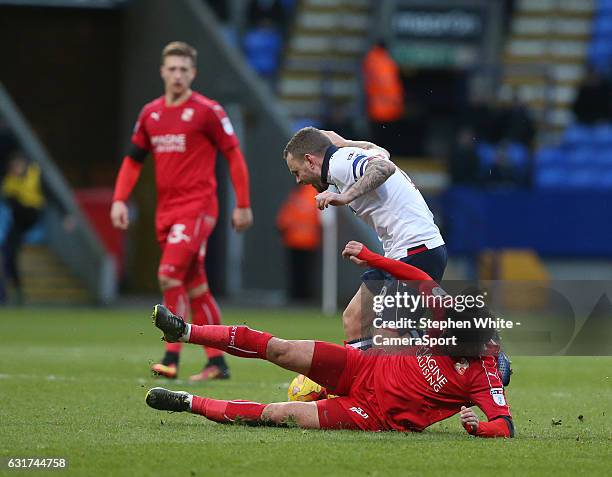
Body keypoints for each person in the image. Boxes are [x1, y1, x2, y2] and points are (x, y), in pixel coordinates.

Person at [145, 241, 514, 437]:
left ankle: (188, 402)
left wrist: (476, 427)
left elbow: (504, 425)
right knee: (280, 348)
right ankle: (185, 330)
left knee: (280, 413)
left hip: (373, 414)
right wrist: (370, 256)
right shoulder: (452, 313)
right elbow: (414, 275)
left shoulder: (486, 374)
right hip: (363, 367)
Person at [110, 41, 253, 381]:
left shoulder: (208, 111)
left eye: (183, 70)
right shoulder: (151, 114)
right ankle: (217, 362)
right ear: (162, 71)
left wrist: (243, 204)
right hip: (167, 211)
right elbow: (133, 161)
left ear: (193, 74)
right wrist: (119, 199)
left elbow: (234, 155)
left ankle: (170, 357)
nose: (177, 75)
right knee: (195, 287)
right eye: (172, 69)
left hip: (198, 208)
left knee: (168, 275)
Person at [283, 127, 447, 350]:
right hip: (398, 253)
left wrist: (345, 196)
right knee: (355, 319)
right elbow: (380, 152)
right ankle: (365, 384)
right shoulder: (347, 157)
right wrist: (346, 141)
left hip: (418, 252)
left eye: (296, 171)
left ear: (310, 161)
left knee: (390, 337)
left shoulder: (341, 164)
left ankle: (470, 356)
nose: (298, 180)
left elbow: (384, 167)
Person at [1, 151, 45, 304]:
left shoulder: (35, 174)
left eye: (19, 165)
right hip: (19, 221)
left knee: (9, 252)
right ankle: (14, 291)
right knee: (8, 254)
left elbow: (51, 193)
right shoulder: (9, 181)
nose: (17, 168)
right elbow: (10, 203)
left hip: (31, 217)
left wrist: (66, 215)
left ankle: (12, 291)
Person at [276, 185, 321, 301]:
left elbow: (284, 218)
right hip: (299, 240)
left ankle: (301, 298)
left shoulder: (305, 194)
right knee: (301, 273)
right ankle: (301, 298)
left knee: (302, 273)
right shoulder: (301, 194)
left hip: (302, 240)